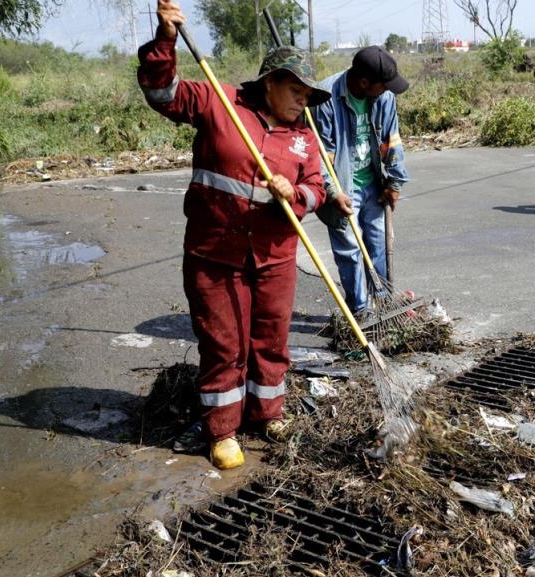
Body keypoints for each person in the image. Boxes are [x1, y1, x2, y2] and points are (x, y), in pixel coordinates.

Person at [138, 0, 331, 470]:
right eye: (296, 90)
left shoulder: (304, 137)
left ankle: (268, 413)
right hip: (215, 252)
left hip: (274, 256)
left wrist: (296, 193)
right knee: (224, 343)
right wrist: (165, 40)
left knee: (271, 338)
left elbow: (318, 190)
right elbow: (163, 94)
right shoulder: (219, 104)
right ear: (270, 83)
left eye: (308, 94)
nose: (302, 100)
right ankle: (222, 430)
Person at [313, 46, 409, 315]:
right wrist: (332, 193)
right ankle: (361, 310)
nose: (388, 90)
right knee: (351, 250)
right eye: (384, 84)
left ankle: (383, 303)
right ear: (364, 82)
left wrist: (394, 182)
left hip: (373, 183)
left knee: (378, 244)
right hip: (342, 186)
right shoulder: (325, 97)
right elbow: (320, 156)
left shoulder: (384, 97)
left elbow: (392, 140)